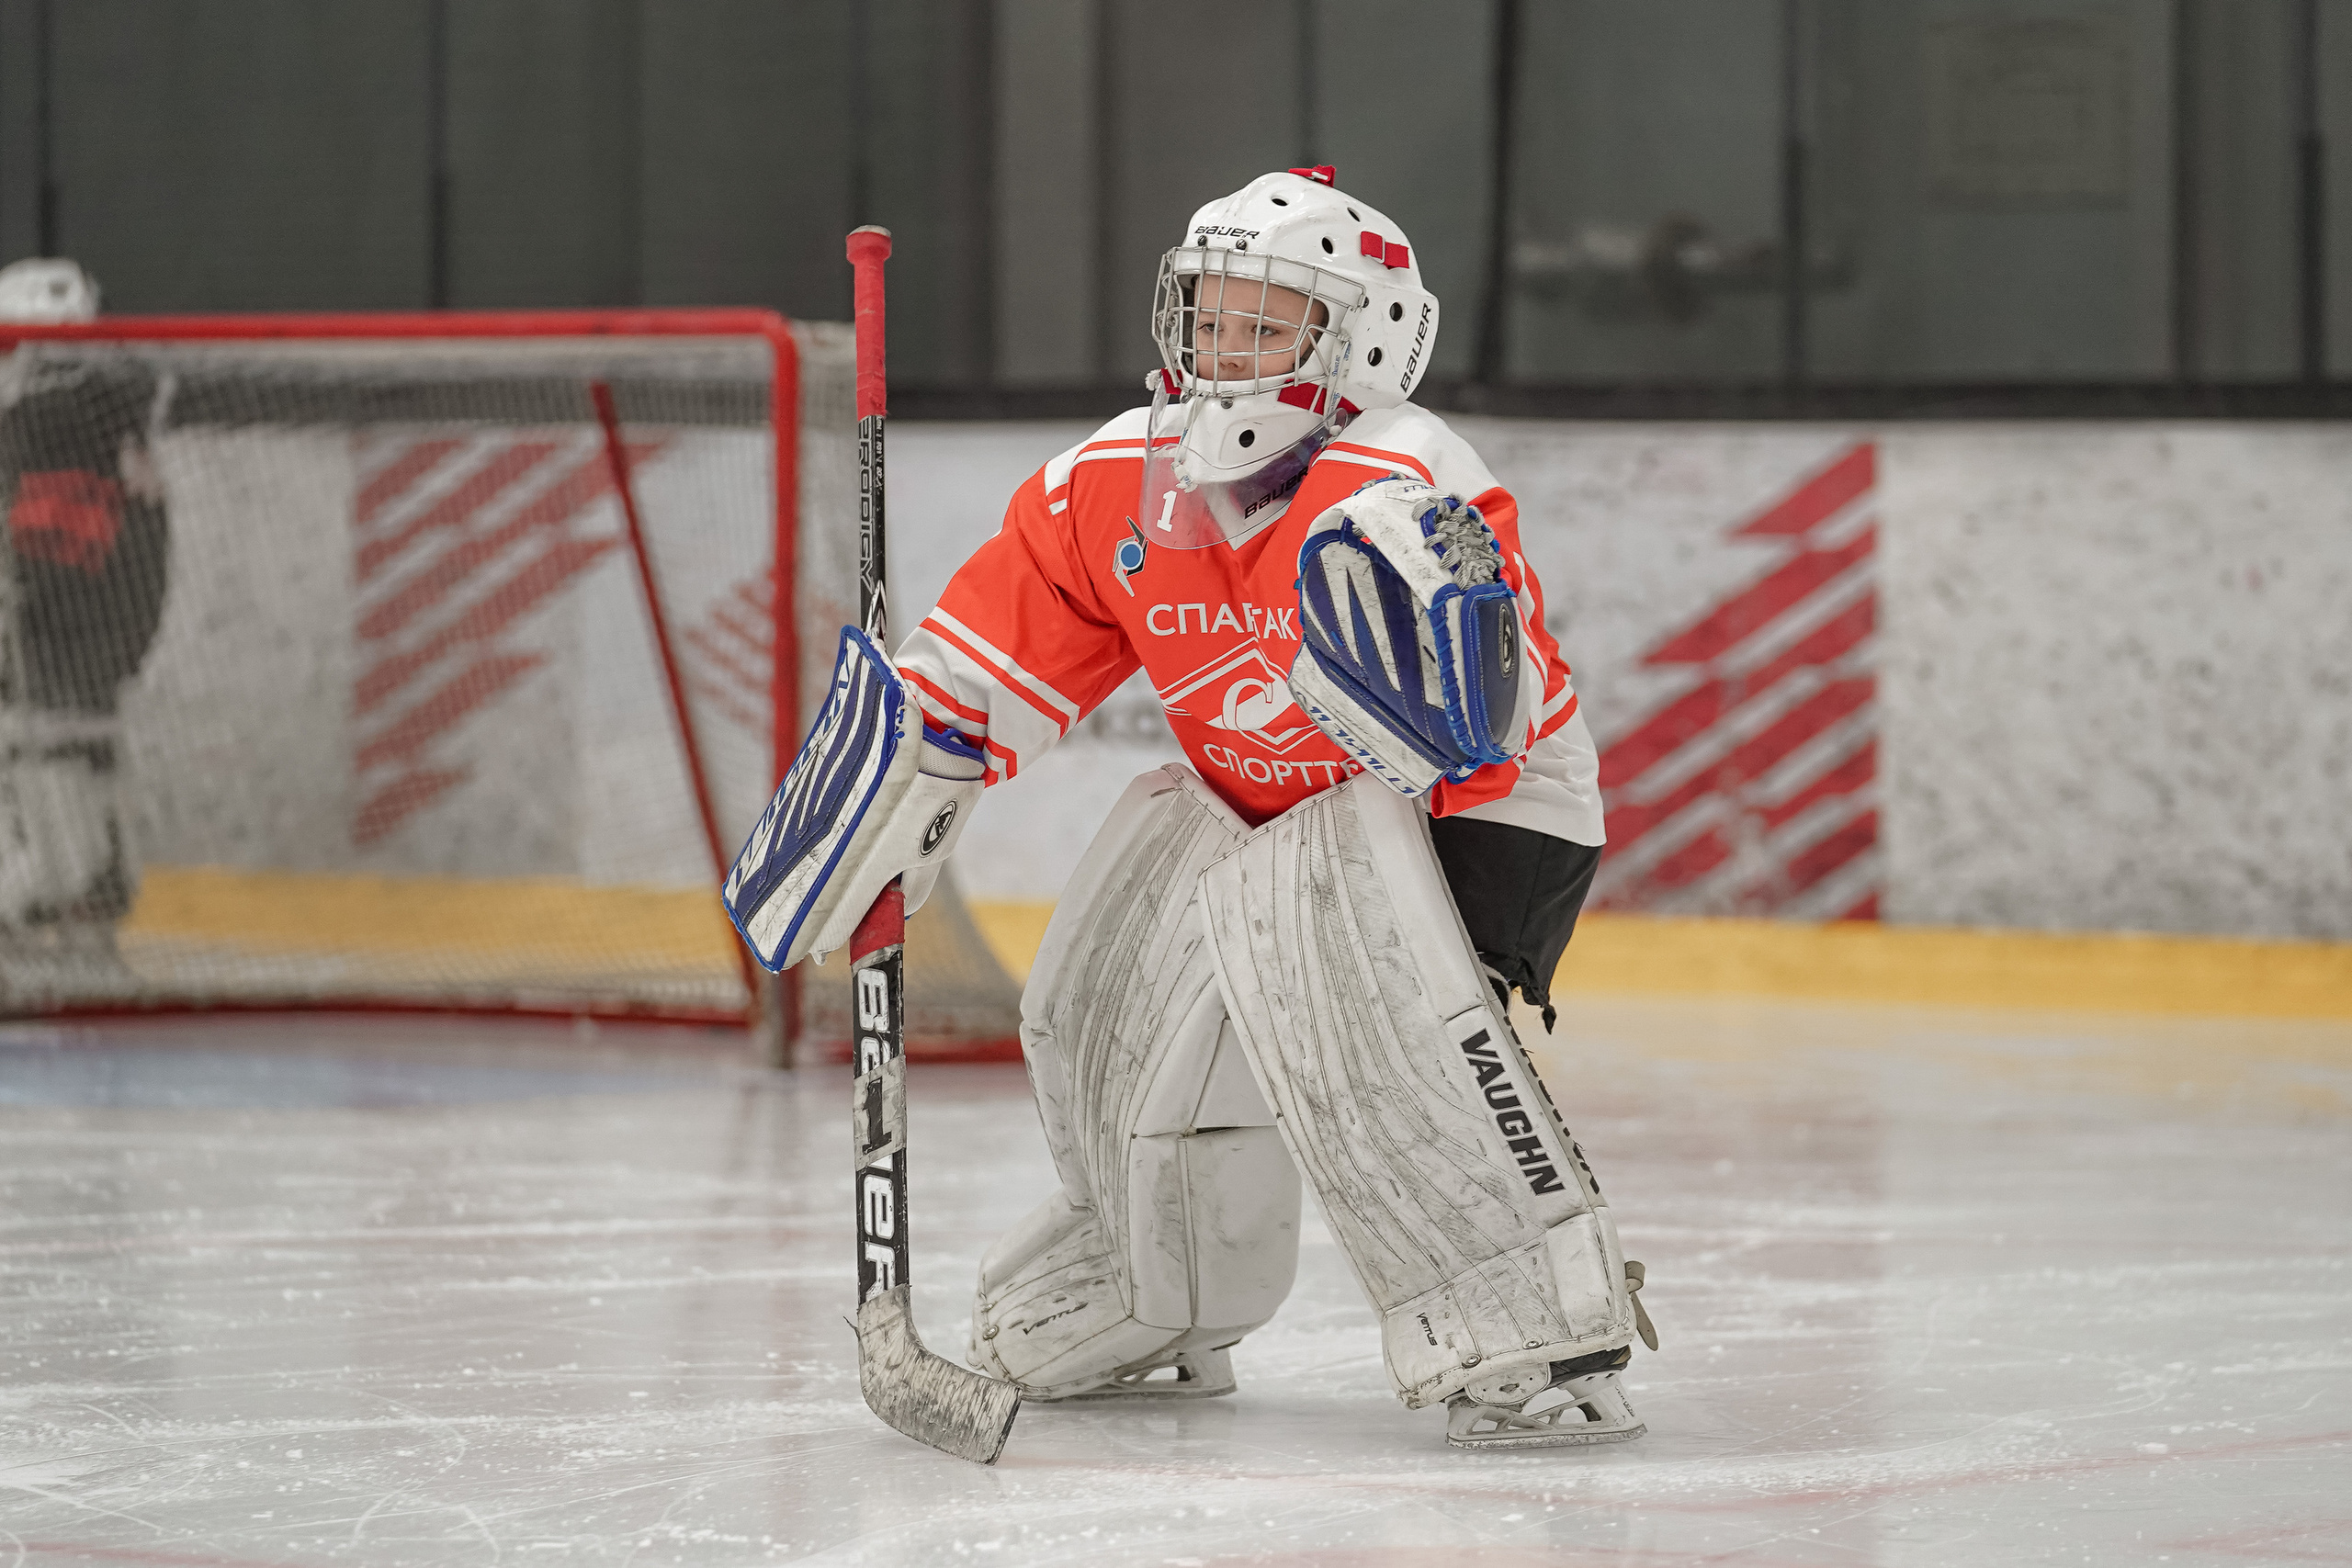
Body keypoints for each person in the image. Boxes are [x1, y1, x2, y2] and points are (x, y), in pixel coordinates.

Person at [738, 169, 1651, 1450]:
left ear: (1367, 339)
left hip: (1477, 814)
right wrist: (902, 768)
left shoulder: (1401, 478)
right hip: (1253, 805)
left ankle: (1535, 1326)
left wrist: (1406, 616)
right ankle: (1156, 1285)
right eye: (1207, 315)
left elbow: (1483, 732)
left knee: (1336, 959)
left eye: (1263, 322)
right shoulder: (1113, 483)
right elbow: (981, 670)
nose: (1222, 350)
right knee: (1097, 988)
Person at [0, 258, 168, 998]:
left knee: (44, 755)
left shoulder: (45, 423)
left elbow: (39, 551)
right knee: (80, 752)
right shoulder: (115, 413)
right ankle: (93, 893)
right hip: (100, 630)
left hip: (57, 630)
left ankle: (55, 891)